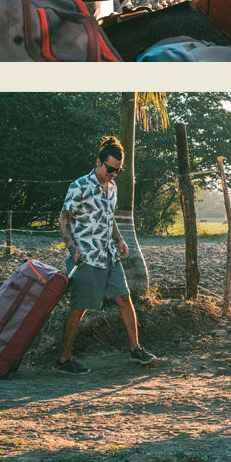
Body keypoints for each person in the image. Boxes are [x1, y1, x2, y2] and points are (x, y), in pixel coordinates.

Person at [56, 135, 156, 374]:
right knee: (79, 307)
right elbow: (63, 218)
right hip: (86, 258)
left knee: (124, 298)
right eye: (110, 169)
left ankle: (135, 349)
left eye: (117, 171)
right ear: (99, 162)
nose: (113, 174)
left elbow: (108, 219)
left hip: (109, 255)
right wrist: (72, 248)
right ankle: (62, 360)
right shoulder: (79, 186)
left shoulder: (112, 188)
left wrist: (119, 239)